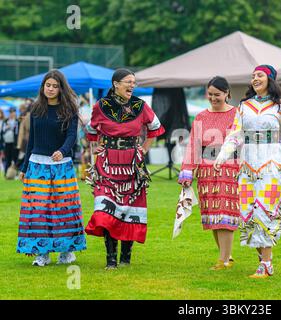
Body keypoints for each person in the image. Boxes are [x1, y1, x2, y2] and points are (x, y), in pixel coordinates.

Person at [214, 65, 281, 278]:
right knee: (248, 213)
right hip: (247, 166)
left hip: (272, 164)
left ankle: (266, 265)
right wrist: (223, 155)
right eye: (253, 76)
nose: (255, 78)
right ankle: (264, 258)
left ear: (270, 79)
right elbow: (235, 135)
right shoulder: (244, 106)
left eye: (260, 75)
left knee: (265, 211)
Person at [85, 68, 165, 270]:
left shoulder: (140, 105)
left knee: (130, 210)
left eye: (134, 82)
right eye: (128, 82)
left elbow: (155, 128)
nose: (132, 85)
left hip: (132, 164)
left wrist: (143, 150)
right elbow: (90, 131)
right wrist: (97, 148)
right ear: (116, 84)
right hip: (107, 164)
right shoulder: (101, 106)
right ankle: (110, 259)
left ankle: (125, 258)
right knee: (105, 209)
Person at [17, 70, 86, 266]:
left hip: (61, 166)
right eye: (48, 85)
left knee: (64, 210)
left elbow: (72, 136)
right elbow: (32, 140)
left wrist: (62, 151)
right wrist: (24, 167)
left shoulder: (70, 110)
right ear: (43, 87)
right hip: (37, 166)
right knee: (38, 210)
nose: (51, 89)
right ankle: (42, 253)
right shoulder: (36, 109)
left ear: (61, 89)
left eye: (55, 86)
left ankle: (66, 252)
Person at [178, 76, 240, 270]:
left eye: (218, 95)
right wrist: (188, 170)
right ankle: (226, 256)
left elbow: (243, 143)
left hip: (230, 169)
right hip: (206, 170)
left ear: (227, 93)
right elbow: (194, 144)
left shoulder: (238, 115)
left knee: (225, 214)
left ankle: (224, 260)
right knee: (212, 215)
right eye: (210, 94)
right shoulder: (201, 116)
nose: (213, 98)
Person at [1, 107, 19, 176]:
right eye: (10, 112)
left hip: (14, 143)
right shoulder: (5, 121)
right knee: (7, 158)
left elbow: (17, 132)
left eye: (12, 112)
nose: (11, 114)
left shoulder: (17, 121)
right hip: (7, 142)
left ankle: (16, 173)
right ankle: (6, 173)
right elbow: (2, 132)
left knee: (15, 158)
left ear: (15, 113)